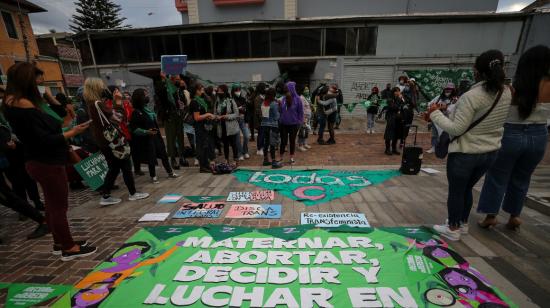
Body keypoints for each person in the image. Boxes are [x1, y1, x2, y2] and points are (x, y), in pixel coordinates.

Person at [3, 62, 96, 260]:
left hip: (39, 160)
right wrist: (73, 132)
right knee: (58, 207)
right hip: (46, 162)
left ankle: (59, 242)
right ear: (27, 80)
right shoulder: (23, 106)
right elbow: (45, 137)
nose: (40, 84)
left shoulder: (15, 102)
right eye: (37, 80)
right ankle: (69, 248)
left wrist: (49, 97)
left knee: (53, 205)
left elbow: (59, 117)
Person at [430, 50, 512, 241]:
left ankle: (452, 228)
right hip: (490, 151)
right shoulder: (507, 92)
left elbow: (457, 129)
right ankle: (463, 223)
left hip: (466, 152)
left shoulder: (472, 96)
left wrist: (435, 114)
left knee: (457, 191)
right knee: (467, 189)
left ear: (477, 71)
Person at [477, 45, 550, 231]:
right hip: (539, 135)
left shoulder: (511, 88)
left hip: (511, 134)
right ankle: (514, 215)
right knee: (523, 177)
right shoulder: (548, 86)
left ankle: (491, 215)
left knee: (497, 176)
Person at [84, 77, 149, 206]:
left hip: (104, 142)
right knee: (124, 165)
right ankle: (132, 193)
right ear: (96, 87)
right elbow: (119, 118)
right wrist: (118, 102)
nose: (104, 88)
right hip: (111, 141)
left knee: (114, 168)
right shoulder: (97, 104)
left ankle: (106, 195)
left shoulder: (92, 103)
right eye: (101, 85)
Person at [0, 110, 48, 239]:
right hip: (11, 163)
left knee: (14, 192)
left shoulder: (5, 126)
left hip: (18, 159)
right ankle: (33, 213)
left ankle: (39, 213)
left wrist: (12, 146)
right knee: (14, 190)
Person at [130, 88, 179, 184]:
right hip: (147, 139)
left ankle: (170, 172)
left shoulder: (148, 110)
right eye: (145, 95)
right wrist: (146, 132)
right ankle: (153, 176)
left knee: (163, 154)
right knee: (151, 157)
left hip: (156, 136)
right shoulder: (136, 112)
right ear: (140, 97)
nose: (147, 96)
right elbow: (134, 129)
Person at [158, 73, 186, 170]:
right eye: (176, 79)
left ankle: (182, 157)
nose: (178, 81)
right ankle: (173, 159)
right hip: (170, 116)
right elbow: (162, 98)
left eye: (179, 79)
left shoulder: (180, 90)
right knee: (171, 139)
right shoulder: (166, 90)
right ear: (172, 80)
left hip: (179, 116)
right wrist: (164, 79)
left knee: (180, 137)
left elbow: (184, 102)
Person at [189, 83, 216, 173]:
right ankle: (202, 166)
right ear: (196, 91)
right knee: (201, 146)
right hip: (199, 127)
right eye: (201, 89)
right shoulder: (194, 102)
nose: (202, 91)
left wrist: (207, 116)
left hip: (204, 126)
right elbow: (196, 117)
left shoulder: (201, 100)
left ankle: (206, 164)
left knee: (205, 145)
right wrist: (207, 114)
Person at [426, 83, 458, 153]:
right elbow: (429, 104)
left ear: (453, 90)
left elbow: (452, 110)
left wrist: (446, 108)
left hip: (447, 120)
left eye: (449, 90)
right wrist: (433, 106)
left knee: (446, 135)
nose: (447, 91)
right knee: (434, 134)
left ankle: (446, 148)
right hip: (436, 119)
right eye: (446, 89)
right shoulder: (439, 97)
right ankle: (434, 147)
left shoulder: (455, 99)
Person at [214, 85, 240, 165]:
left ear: (225, 91)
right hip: (221, 126)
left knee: (233, 144)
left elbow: (236, 113)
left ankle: (235, 159)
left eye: (221, 91)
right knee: (225, 144)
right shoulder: (217, 102)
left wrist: (227, 116)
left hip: (231, 126)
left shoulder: (231, 101)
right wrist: (217, 117)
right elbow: (215, 113)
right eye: (218, 91)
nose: (219, 93)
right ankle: (226, 159)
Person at [279, 81, 304, 164]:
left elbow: (300, 112)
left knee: (292, 141)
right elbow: (281, 110)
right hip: (283, 124)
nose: (286, 90)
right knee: (283, 141)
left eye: (287, 88)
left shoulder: (298, 99)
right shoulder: (283, 99)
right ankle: (281, 157)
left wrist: (300, 122)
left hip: (293, 124)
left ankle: (291, 157)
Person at [261, 88, 283, 168]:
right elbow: (276, 116)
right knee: (272, 143)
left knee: (266, 143)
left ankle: (265, 159)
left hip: (264, 125)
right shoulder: (273, 104)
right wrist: (280, 109)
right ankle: (273, 161)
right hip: (272, 125)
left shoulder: (263, 103)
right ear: (273, 95)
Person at [384, 87, 405, 155]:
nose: (398, 92)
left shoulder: (399, 99)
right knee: (389, 134)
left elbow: (401, 106)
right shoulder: (390, 99)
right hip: (391, 118)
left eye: (399, 91)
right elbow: (393, 107)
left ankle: (393, 148)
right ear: (393, 92)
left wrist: (401, 100)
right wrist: (399, 99)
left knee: (396, 134)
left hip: (398, 119)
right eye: (396, 91)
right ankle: (387, 149)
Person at [231, 83, 250, 160]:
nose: (238, 91)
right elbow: (233, 110)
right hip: (235, 120)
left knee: (247, 136)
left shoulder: (243, 98)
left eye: (239, 89)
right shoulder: (231, 99)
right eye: (236, 90)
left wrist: (247, 120)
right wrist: (239, 108)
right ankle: (240, 153)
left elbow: (246, 109)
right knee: (237, 138)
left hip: (242, 119)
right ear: (233, 91)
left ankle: (245, 151)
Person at [253, 83, 267, 156]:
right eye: (264, 88)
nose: (266, 89)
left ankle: (263, 147)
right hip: (260, 120)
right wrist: (263, 118)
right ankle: (259, 148)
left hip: (264, 118)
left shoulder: (263, 97)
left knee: (263, 134)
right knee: (261, 134)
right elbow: (258, 111)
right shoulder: (258, 98)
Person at [298, 85, 312, 151]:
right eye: (305, 89)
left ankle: (305, 143)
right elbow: (302, 109)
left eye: (308, 89)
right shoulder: (301, 98)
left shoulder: (307, 97)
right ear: (302, 91)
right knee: (302, 131)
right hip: (303, 117)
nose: (307, 91)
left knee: (306, 131)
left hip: (308, 117)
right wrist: (303, 118)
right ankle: (300, 145)